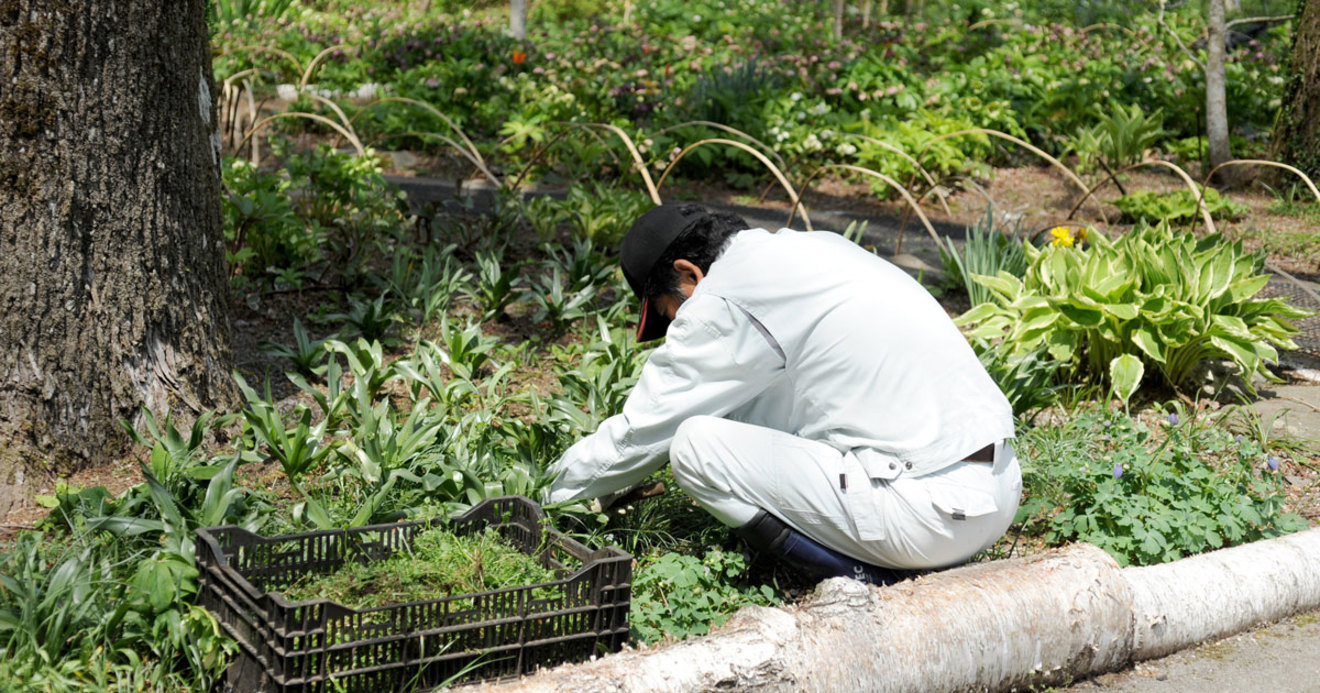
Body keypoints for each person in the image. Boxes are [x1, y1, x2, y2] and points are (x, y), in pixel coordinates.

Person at [546, 203, 1021, 585]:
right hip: (996, 487)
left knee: (693, 445)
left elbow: (642, 432)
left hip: (927, 515)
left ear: (690, 274)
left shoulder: (723, 299)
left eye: (672, 315)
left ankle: (868, 579)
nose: (677, 328)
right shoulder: (811, 252)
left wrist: (549, 497)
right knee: (740, 412)